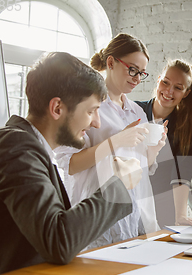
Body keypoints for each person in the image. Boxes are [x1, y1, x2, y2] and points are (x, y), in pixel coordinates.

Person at [0, 52, 141, 275]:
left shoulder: (17, 144)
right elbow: (58, 241)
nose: (97, 122)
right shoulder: (15, 147)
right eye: (91, 111)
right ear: (57, 108)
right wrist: (118, 185)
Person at [55, 33, 165, 250]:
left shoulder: (136, 111)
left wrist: (154, 150)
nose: (136, 78)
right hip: (96, 211)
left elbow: (140, 169)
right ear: (111, 62)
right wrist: (116, 141)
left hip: (132, 214)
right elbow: (70, 164)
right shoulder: (85, 105)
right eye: (132, 69)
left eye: (141, 73)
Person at [135, 59, 192, 226]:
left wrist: (180, 215)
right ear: (158, 79)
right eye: (165, 82)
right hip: (133, 199)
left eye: (178, 88)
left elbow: (183, 172)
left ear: (186, 93)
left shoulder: (185, 127)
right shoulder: (135, 111)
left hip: (166, 205)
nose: (168, 91)